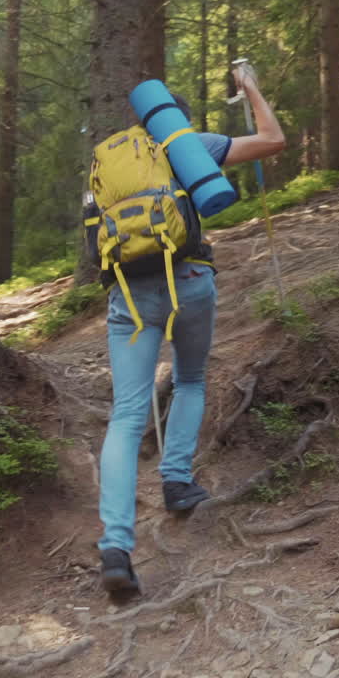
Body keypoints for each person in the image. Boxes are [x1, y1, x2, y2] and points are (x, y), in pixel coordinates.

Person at [97, 67, 286, 594]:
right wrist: (250, 84)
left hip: (128, 295)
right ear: (175, 118)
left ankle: (115, 547)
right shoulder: (188, 145)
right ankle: (177, 482)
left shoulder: (110, 157)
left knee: (127, 415)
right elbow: (274, 141)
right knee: (190, 380)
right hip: (190, 281)